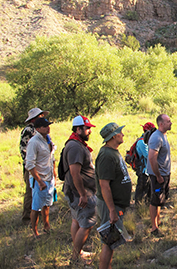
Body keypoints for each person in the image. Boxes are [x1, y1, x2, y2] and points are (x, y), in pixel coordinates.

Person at [95, 122, 132, 269]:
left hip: (117, 204)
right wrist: (111, 210)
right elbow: (104, 185)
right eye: (120, 132)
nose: (122, 134)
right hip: (109, 205)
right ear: (114, 135)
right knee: (109, 241)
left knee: (112, 241)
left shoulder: (113, 152)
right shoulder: (106, 155)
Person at [62, 115, 96, 265]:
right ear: (78, 129)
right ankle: (75, 257)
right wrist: (83, 194)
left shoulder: (76, 143)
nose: (89, 131)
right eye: (87, 128)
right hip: (79, 192)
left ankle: (79, 252)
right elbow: (75, 172)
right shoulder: (75, 146)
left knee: (76, 219)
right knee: (87, 223)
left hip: (75, 191)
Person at [25, 118, 56, 239]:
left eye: (48, 125)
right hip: (39, 178)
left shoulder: (48, 139)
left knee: (47, 204)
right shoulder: (34, 142)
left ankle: (46, 226)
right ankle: (35, 232)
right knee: (36, 206)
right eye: (44, 126)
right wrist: (39, 181)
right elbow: (30, 165)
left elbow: (51, 156)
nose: (48, 128)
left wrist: (53, 170)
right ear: (38, 129)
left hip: (48, 177)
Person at [20, 107, 49, 223]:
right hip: (31, 166)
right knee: (31, 190)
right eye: (40, 116)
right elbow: (24, 150)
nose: (42, 117)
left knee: (41, 189)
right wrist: (31, 166)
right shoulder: (29, 130)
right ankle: (27, 217)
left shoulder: (41, 130)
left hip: (41, 165)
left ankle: (40, 214)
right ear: (34, 119)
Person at [147, 114, 172, 237]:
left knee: (160, 199)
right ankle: (154, 228)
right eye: (168, 121)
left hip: (164, 174)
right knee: (155, 199)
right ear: (161, 124)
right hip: (159, 175)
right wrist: (158, 176)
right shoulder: (156, 137)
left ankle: (158, 220)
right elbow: (152, 157)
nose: (171, 123)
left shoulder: (163, 136)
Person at [135, 122, 156, 205]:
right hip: (143, 170)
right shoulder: (142, 142)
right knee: (141, 188)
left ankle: (147, 204)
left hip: (149, 169)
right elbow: (149, 155)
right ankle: (138, 206)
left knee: (149, 189)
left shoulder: (148, 141)